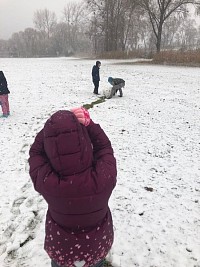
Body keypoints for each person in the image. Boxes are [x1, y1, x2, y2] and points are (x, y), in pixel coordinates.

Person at [28, 107, 117, 267]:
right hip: (95, 247)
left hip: (62, 250)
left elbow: (35, 153)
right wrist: (89, 125)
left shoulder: (48, 182)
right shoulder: (103, 178)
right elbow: (104, 148)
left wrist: (50, 130)